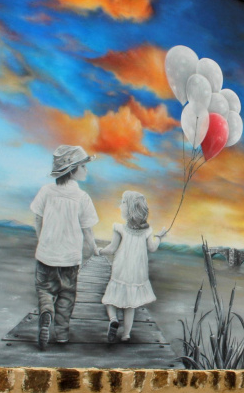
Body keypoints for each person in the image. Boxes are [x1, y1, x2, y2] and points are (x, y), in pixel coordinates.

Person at [31, 145, 100, 351]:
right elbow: (87, 229)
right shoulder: (82, 198)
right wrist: (95, 249)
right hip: (70, 259)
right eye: (84, 166)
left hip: (46, 255)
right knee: (67, 295)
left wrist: (41, 239)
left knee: (44, 289)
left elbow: (37, 218)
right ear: (73, 169)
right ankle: (61, 333)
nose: (87, 169)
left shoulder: (46, 191)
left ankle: (45, 311)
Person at [97, 191, 167, 343]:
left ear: (129, 209)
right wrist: (159, 237)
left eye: (123, 202)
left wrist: (99, 251)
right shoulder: (147, 231)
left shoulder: (119, 228)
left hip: (120, 271)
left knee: (110, 299)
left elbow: (111, 249)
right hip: (136, 273)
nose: (120, 205)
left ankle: (114, 319)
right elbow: (153, 248)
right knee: (130, 306)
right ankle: (126, 335)